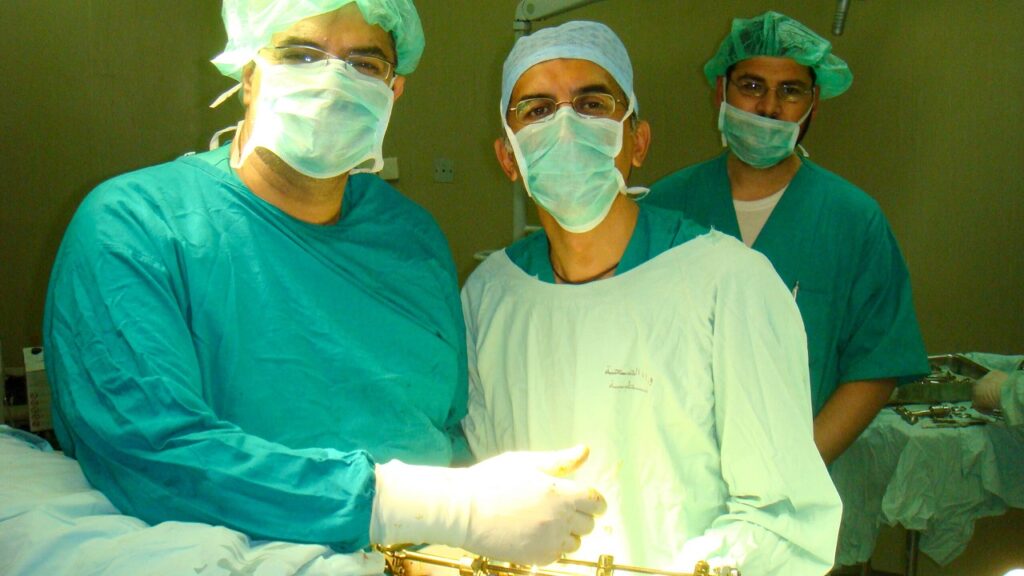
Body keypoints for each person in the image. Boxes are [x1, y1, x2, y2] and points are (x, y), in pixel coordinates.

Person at [42, 0, 605, 566]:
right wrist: (430, 506)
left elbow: (448, 428)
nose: (334, 81)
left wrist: (476, 516)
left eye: (365, 64)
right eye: (302, 54)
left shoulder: (411, 238)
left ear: (394, 92)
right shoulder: (135, 226)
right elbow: (150, 455)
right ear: (249, 74)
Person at [462, 21, 842, 575]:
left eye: (592, 103)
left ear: (637, 143)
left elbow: (783, 519)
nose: (566, 127)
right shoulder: (491, 297)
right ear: (509, 157)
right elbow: (486, 491)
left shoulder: (726, 284)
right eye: (537, 110)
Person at [644, 11, 930, 465]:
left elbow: (875, 366)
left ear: (815, 103)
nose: (770, 107)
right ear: (721, 91)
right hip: (673, 469)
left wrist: (796, 471)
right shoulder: (664, 208)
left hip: (806, 474)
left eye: (790, 90)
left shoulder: (852, 219)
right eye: (752, 86)